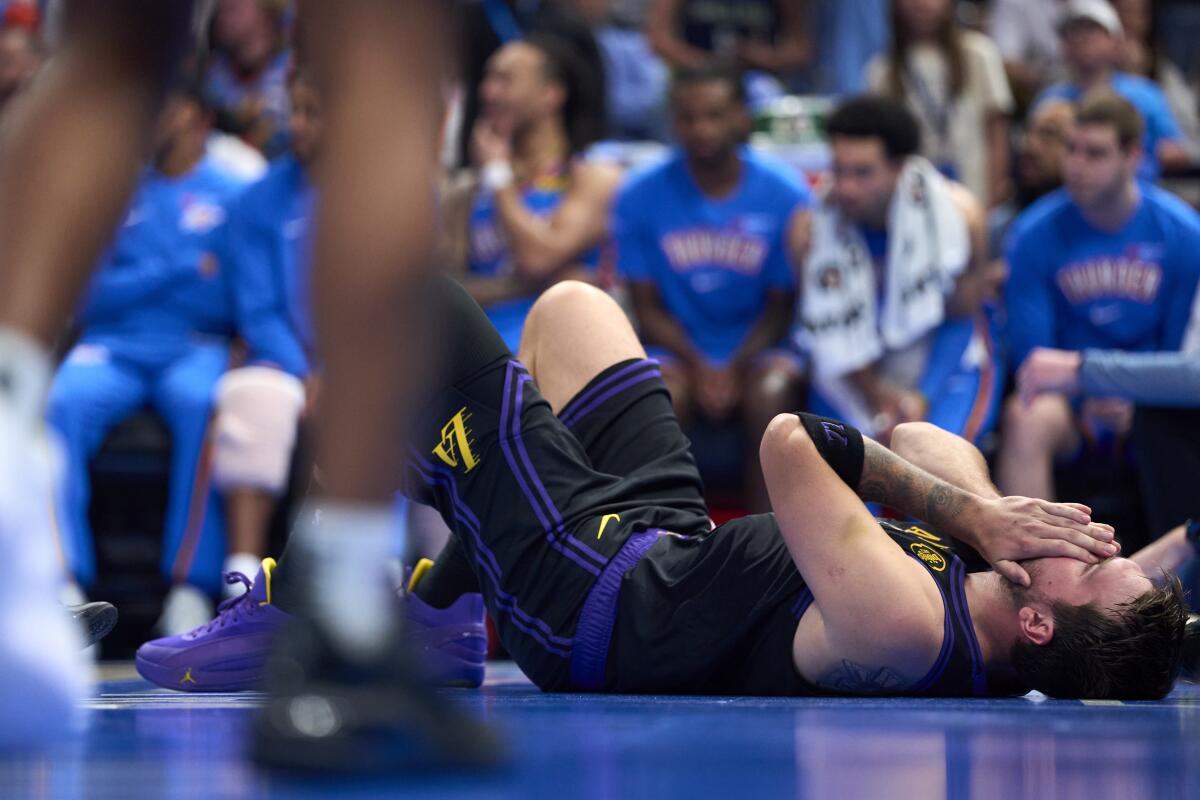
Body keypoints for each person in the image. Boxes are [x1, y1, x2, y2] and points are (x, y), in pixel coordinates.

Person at [137, 274, 1186, 700]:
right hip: (661, 541)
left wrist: (971, 511)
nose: (1094, 532)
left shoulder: (912, 625)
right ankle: (443, 612)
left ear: (1041, 624)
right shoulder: (990, 575)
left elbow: (792, 444)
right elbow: (920, 436)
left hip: (587, 601)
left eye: (1096, 563)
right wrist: (992, 516)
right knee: (571, 308)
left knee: (407, 298)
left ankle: (324, 600)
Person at [0, 0, 499, 770]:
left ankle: (5, 535)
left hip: (210, 355)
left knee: (110, 57)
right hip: (203, 357)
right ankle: (349, 618)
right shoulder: (261, 196)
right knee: (378, 64)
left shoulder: (234, 184)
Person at [47, 78, 248, 635]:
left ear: (198, 118)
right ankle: (64, 584)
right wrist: (180, 268)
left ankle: (188, 588)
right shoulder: (116, 189)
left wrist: (137, 280)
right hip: (112, 345)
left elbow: (224, 297)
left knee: (205, 403)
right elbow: (86, 295)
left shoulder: (234, 192)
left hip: (195, 346)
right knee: (58, 402)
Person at [615, 65, 810, 513]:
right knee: (662, 391)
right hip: (676, 348)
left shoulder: (786, 192)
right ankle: (666, 535)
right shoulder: (639, 193)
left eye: (715, 115)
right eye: (688, 117)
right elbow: (646, 306)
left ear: (741, 116)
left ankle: (772, 542)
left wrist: (731, 366)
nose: (701, 128)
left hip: (758, 345)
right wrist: (702, 366)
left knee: (772, 392)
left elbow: (781, 308)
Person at [997, 91, 1200, 505]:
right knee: (1026, 416)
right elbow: (1034, 358)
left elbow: (1182, 354)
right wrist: (1084, 397)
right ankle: (1028, 566)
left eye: (1095, 153)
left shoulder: (1183, 232)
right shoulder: (1032, 235)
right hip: (1070, 406)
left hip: (1151, 400)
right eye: (1071, 149)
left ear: (1131, 156)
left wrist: (1137, 398)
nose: (1077, 166)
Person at [795, 96, 1003, 447]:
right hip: (855, 369)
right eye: (838, 170)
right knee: (847, 474)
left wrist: (921, 396)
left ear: (899, 167)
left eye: (862, 173)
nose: (845, 188)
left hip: (941, 357)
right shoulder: (808, 230)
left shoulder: (960, 217)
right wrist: (876, 395)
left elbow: (960, 319)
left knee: (941, 467)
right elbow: (826, 328)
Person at [209, 66, 319, 586]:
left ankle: (401, 579)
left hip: (366, 363)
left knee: (401, 400)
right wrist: (306, 371)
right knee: (253, 395)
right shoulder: (256, 200)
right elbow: (258, 311)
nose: (297, 124)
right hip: (284, 356)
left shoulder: (389, 194)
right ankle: (242, 579)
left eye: (313, 113)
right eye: (293, 111)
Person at [442, 32, 620, 353]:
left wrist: (498, 175)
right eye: (487, 78)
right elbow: (448, 291)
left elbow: (538, 257)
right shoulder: (466, 189)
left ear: (550, 95)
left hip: (566, 351)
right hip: (483, 358)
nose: (488, 91)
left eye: (505, 80)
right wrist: (524, 286)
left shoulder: (592, 175)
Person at [867, 0, 1015, 207]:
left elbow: (997, 132)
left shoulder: (980, 53)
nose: (922, 5)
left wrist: (994, 195)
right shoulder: (882, 71)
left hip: (975, 194)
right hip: (914, 202)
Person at [1033, 0, 1189, 180]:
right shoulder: (1048, 99)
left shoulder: (1145, 94)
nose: (1080, 38)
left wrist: (1132, 159)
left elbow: (1176, 152)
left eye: (1091, 29)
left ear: (1116, 41)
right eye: (1072, 31)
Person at [1113, 0, 1200, 161]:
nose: (1129, 20)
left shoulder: (1163, 68)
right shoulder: (1090, 68)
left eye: (1138, 14)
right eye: (1123, 12)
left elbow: (1185, 138)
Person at [203, 0, 291, 158]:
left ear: (266, 11)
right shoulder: (211, 72)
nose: (222, 12)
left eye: (233, 7)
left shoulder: (292, 72)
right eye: (221, 8)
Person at [989, 100, 1075, 258]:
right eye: (1028, 132)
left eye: (1048, 134)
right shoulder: (1000, 229)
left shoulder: (1092, 224)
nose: (1029, 145)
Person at [646, 0, 813, 78]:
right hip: (694, 76)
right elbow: (658, 38)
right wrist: (708, 64)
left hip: (756, 79)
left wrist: (758, 57)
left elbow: (800, 51)